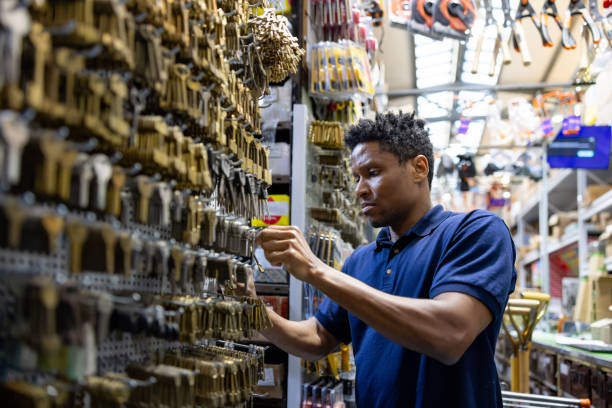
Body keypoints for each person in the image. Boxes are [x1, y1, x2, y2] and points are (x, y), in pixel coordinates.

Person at [250, 111, 517, 408]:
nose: (359, 189)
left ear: (419, 168)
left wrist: (316, 270)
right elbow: (317, 338)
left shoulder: (474, 232)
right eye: (356, 178)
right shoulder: (361, 261)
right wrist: (251, 307)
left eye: (373, 173)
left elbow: (450, 333)